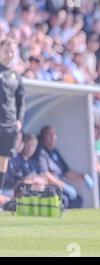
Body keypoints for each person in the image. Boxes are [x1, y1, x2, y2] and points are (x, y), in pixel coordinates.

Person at [33, 126, 83, 208]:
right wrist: (64, 186)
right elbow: (45, 174)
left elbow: (66, 171)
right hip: (49, 187)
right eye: (50, 135)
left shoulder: (54, 151)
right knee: (64, 200)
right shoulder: (41, 153)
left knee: (78, 199)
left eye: (54, 135)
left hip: (59, 186)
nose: (53, 138)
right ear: (43, 137)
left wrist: (83, 177)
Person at [0, 38, 25, 194]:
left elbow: (21, 101)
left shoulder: (16, 76)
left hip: (9, 125)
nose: (9, 54)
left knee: (3, 160)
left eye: (12, 52)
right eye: (6, 50)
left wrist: (19, 121)